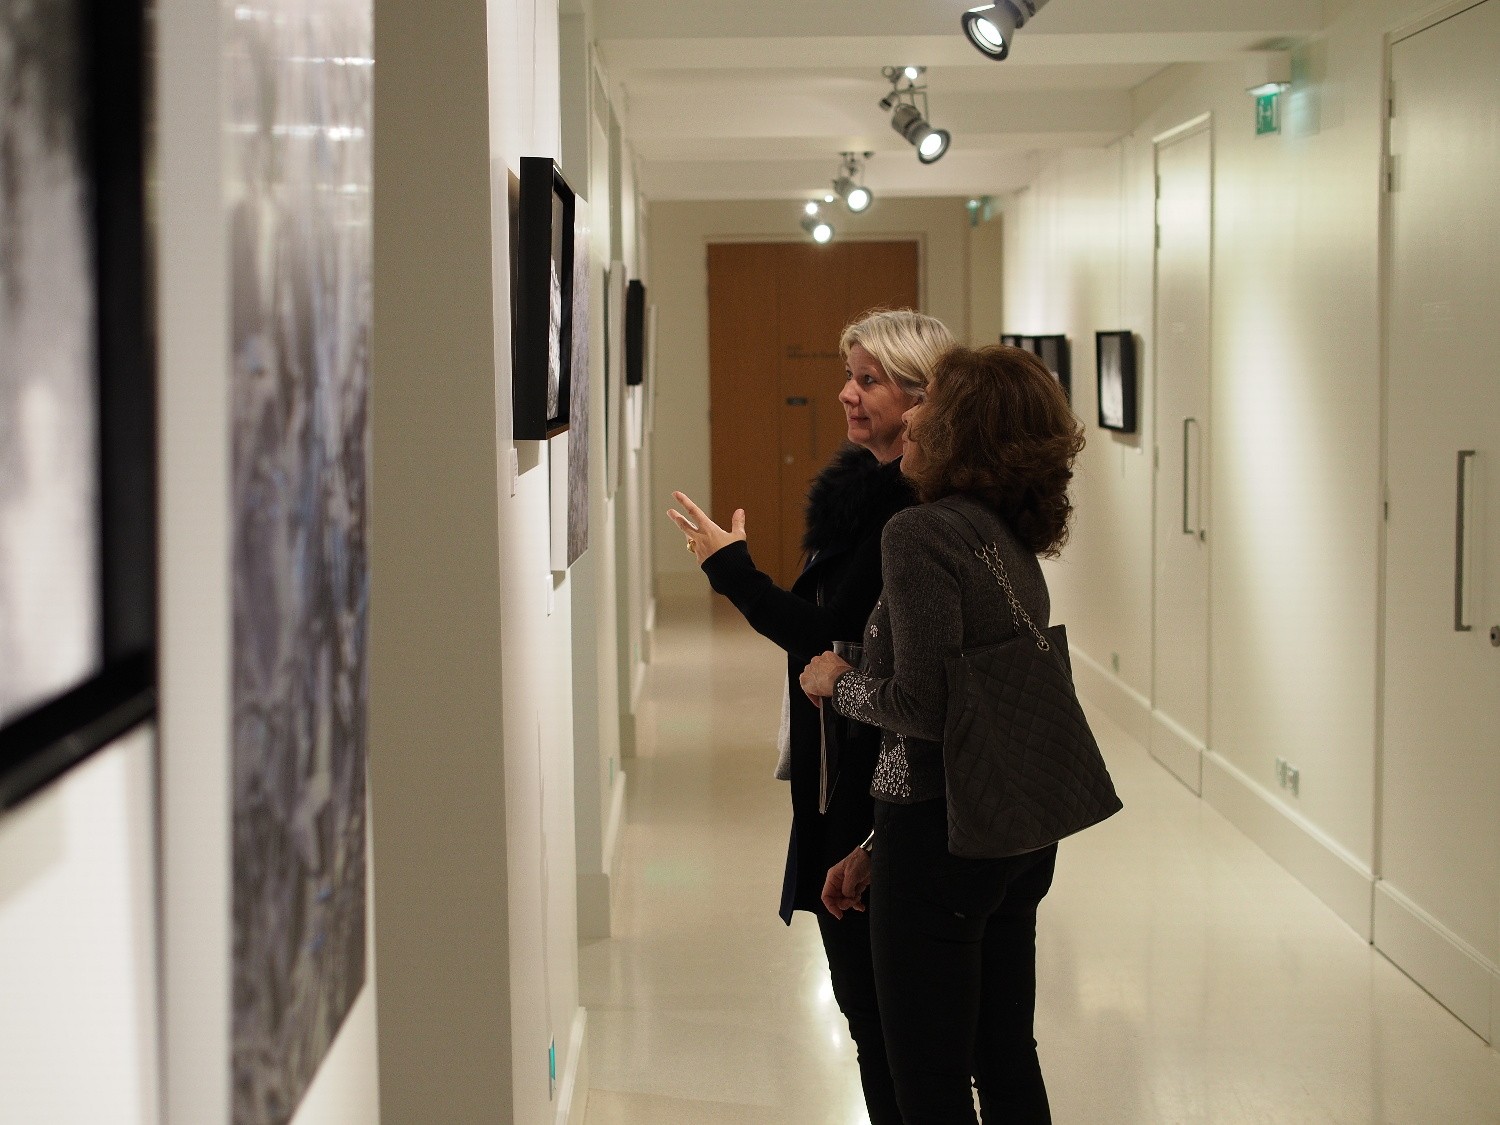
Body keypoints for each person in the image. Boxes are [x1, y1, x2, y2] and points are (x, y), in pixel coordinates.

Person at [666, 309, 955, 1125]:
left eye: (868, 380)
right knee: (872, 1016)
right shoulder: (863, 497)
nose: (846, 394)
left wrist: (733, 571)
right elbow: (828, 632)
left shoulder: (908, 515)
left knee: (887, 1018)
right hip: (844, 767)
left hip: (878, 779)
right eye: (848, 376)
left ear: (920, 396)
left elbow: (828, 636)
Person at [799, 343, 1087, 1124]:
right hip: (1011, 834)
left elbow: (923, 708)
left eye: (931, 401)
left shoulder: (918, 533)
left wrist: (837, 680)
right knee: (1005, 1056)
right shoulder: (1001, 530)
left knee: (927, 1081)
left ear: (964, 429)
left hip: (938, 845)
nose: (913, 415)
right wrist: (874, 846)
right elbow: (961, 709)